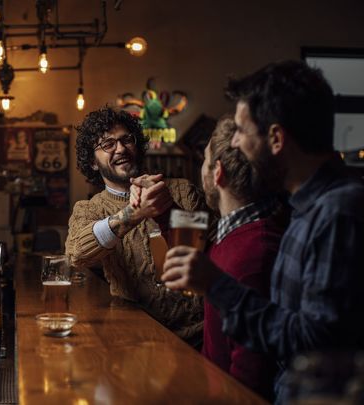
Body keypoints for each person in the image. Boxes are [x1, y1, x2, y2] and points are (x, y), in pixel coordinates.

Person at [162, 61, 364, 401]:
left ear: (275, 138)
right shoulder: (303, 206)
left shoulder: (337, 213)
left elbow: (315, 349)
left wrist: (217, 285)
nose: (236, 144)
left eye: (241, 130)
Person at [65, 106, 205, 344]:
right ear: (93, 162)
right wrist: (133, 214)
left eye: (126, 140)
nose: (120, 148)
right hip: (137, 337)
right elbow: (76, 254)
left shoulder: (182, 190)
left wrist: (166, 206)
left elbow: (203, 254)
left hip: (197, 335)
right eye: (107, 144)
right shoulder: (89, 209)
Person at [199, 116, 285, 399]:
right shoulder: (238, 235)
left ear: (217, 173)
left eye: (205, 159)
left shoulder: (252, 254)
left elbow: (249, 380)